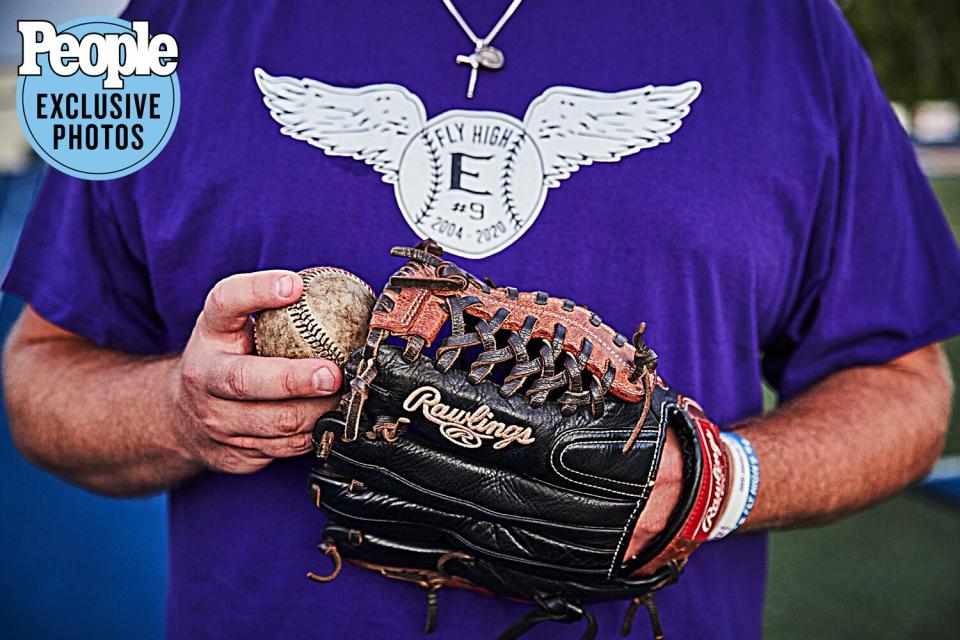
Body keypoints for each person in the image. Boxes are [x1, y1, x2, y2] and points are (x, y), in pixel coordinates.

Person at [4, 1, 959, 638]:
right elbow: (42, 371)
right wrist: (180, 410)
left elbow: (904, 383)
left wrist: (715, 483)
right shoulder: (170, 22)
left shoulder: (784, 26)